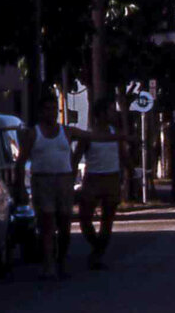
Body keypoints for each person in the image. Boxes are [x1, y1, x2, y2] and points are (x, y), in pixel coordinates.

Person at [21, 96, 122, 280]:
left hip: (64, 181)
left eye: (54, 109)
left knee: (65, 226)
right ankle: (49, 264)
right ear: (41, 112)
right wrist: (19, 187)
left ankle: (61, 262)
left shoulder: (67, 131)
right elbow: (20, 161)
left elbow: (95, 136)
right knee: (48, 225)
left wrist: (123, 137)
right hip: (43, 182)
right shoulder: (33, 133)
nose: (52, 112)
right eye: (47, 109)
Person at [75, 98, 125, 270]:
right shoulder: (88, 135)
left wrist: (132, 171)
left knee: (108, 219)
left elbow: (122, 153)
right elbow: (76, 158)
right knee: (84, 217)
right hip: (93, 179)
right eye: (111, 110)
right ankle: (97, 245)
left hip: (112, 178)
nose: (114, 114)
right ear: (100, 114)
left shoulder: (114, 133)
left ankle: (98, 254)